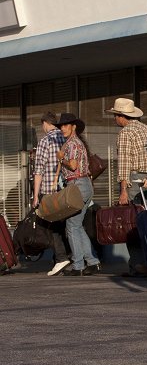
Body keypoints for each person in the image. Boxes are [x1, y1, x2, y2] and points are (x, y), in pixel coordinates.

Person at [106, 97, 147, 276]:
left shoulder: (126, 133)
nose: (115, 120)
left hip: (135, 179)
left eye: (115, 116)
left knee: (131, 223)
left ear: (121, 116)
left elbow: (124, 164)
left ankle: (137, 265)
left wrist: (123, 191)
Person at [55, 113, 101, 276]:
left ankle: (78, 264)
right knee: (77, 225)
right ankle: (93, 262)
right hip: (83, 185)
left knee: (72, 226)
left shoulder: (73, 143)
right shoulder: (76, 142)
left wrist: (61, 159)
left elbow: (73, 165)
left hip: (77, 185)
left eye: (66, 125)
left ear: (74, 126)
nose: (62, 128)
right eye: (61, 126)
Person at [32, 112, 69, 276]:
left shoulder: (45, 141)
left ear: (46, 123)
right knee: (67, 225)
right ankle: (66, 257)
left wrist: (35, 196)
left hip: (49, 190)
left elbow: (38, 171)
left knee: (51, 225)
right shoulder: (67, 138)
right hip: (68, 190)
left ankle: (61, 258)